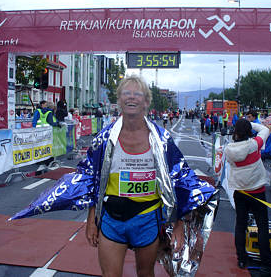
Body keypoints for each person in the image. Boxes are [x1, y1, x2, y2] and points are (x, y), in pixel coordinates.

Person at [85, 76, 215, 277]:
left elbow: (179, 181)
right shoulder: (105, 138)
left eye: (137, 94)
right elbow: (93, 181)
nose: (131, 98)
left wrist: (179, 225)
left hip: (147, 219)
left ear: (146, 101)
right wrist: (91, 219)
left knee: (145, 273)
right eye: (126, 93)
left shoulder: (161, 139)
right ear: (119, 100)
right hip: (112, 218)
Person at [224, 119, 271, 275]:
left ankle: (241, 258)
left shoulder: (229, 149)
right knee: (262, 226)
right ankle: (267, 262)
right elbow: (265, 130)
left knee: (240, 225)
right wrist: (250, 124)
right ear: (248, 132)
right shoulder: (254, 145)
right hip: (257, 191)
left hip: (240, 193)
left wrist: (242, 127)